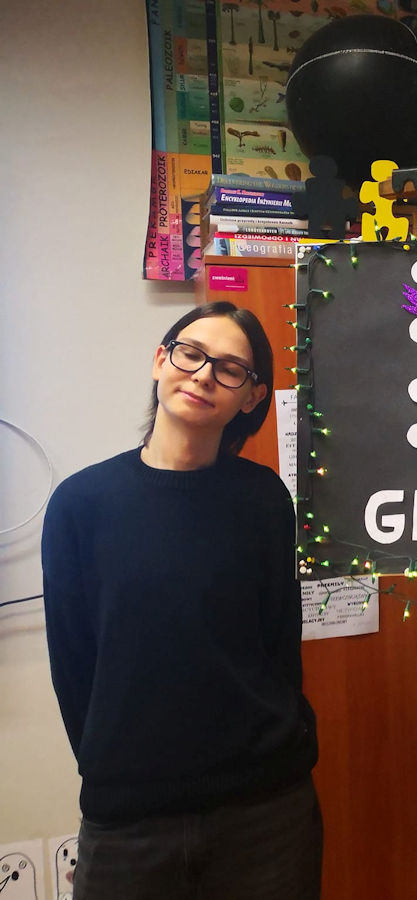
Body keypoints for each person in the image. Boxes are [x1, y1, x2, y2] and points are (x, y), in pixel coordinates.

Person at [42, 302, 322, 899]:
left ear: (251, 397)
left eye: (229, 368)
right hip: (129, 822)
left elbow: (280, 643)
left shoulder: (264, 500)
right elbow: (72, 666)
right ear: (160, 360)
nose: (202, 375)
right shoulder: (80, 504)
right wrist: (114, 767)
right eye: (190, 354)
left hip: (265, 812)